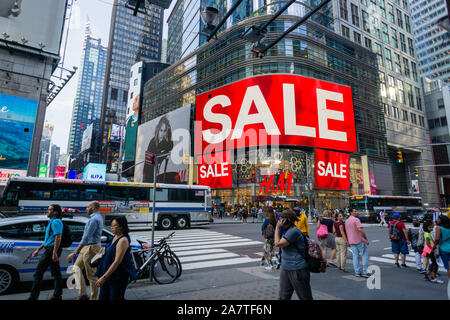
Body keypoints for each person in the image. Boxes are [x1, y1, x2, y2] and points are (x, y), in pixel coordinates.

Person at [66, 201, 104, 300]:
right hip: (87, 247)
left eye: (88, 207)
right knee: (76, 268)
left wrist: (75, 252)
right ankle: (83, 294)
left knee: (91, 276)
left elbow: (86, 237)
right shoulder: (95, 218)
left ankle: (94, 298)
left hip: (92, 248)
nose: (86, 209)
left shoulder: (94, 219)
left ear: (94, 208)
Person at [95, 216, 137, 300]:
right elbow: (112, 251)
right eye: (111, 225)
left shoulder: (123, 240)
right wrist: (104, 250)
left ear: (121, 227)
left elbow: (117, 261)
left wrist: (103, 277)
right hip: (109, 275)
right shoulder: (115, 236)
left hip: (117, 278)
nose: (111, 227)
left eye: (114, 225)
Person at [274, 210, 313, 300]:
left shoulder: (293, 231)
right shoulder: (287, 231)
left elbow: (278, 243)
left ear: (288, 220)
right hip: (286, 267)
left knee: (305, 297)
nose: (279, 220)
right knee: (283, 296)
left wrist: (277, 227)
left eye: (281, 218)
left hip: (297, 269)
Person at [28, 205, 64, 300]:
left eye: (49, 209)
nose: (47, 211)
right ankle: (57, 295)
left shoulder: (56, 222)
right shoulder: (51, 222)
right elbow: (48, 239)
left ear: (55, 212)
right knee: (56, 273)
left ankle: (33, 297)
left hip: (51, 250)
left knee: (38, 273)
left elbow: (58, 237)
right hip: (51, 249)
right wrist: (38, 249)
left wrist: (54, 252)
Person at [143, 115, 174, 183]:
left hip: (159, 177)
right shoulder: (153, 142)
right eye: (161, 130)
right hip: (149, 176)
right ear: (158, 129)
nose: (162, 134)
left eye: (164, 131)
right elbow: (149, 162)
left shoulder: (168, 144)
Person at [345, 208, 370, 278]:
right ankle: (365, 272)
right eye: (354, 211)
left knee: (355, 256)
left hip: (351, 241)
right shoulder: (356, 220)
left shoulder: (347, 221)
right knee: (364, 255)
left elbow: (347, 232)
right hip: (359, 240)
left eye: (356, 211)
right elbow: (360, 230)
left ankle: (357, 272)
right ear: (351, 213)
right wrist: (366, 239)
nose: (356, 212)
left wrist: (348, 241)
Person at [434, 215, 450, 280]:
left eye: (438, 219)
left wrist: (434, 246)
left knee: (448, 266)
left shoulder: (439, 227)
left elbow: (437, 239)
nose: (437, 220)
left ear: (441, 220)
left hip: (444, 248)